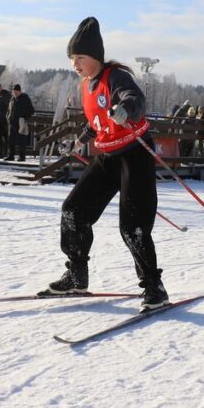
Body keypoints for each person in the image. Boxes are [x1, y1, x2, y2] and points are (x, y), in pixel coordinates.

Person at [44, 16, 169, 311]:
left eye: (80, 58)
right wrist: (81, 139)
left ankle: (154, 287)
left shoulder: (116, 77)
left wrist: (126, 110)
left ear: (95, 57)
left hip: (135, 155)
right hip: (107, 156)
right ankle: (76, 275)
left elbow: (134, 98)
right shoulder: (86, 85)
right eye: (72, 58)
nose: (75, 64)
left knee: (132, 227)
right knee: (73, 210)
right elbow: (96, 122)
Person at [6, 83, 34, 162]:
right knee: (10, 140)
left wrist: (24, 118)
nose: (15, 93)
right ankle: (10, 155)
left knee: (22, 140)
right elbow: (8, 110)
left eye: (16, 91)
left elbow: (31, 110)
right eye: (13, 91)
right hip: (11, 122)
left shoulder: (25, 98)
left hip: (21, 123)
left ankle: (22, 157)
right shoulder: (12, 99)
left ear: (20, 91)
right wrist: (7, 117)